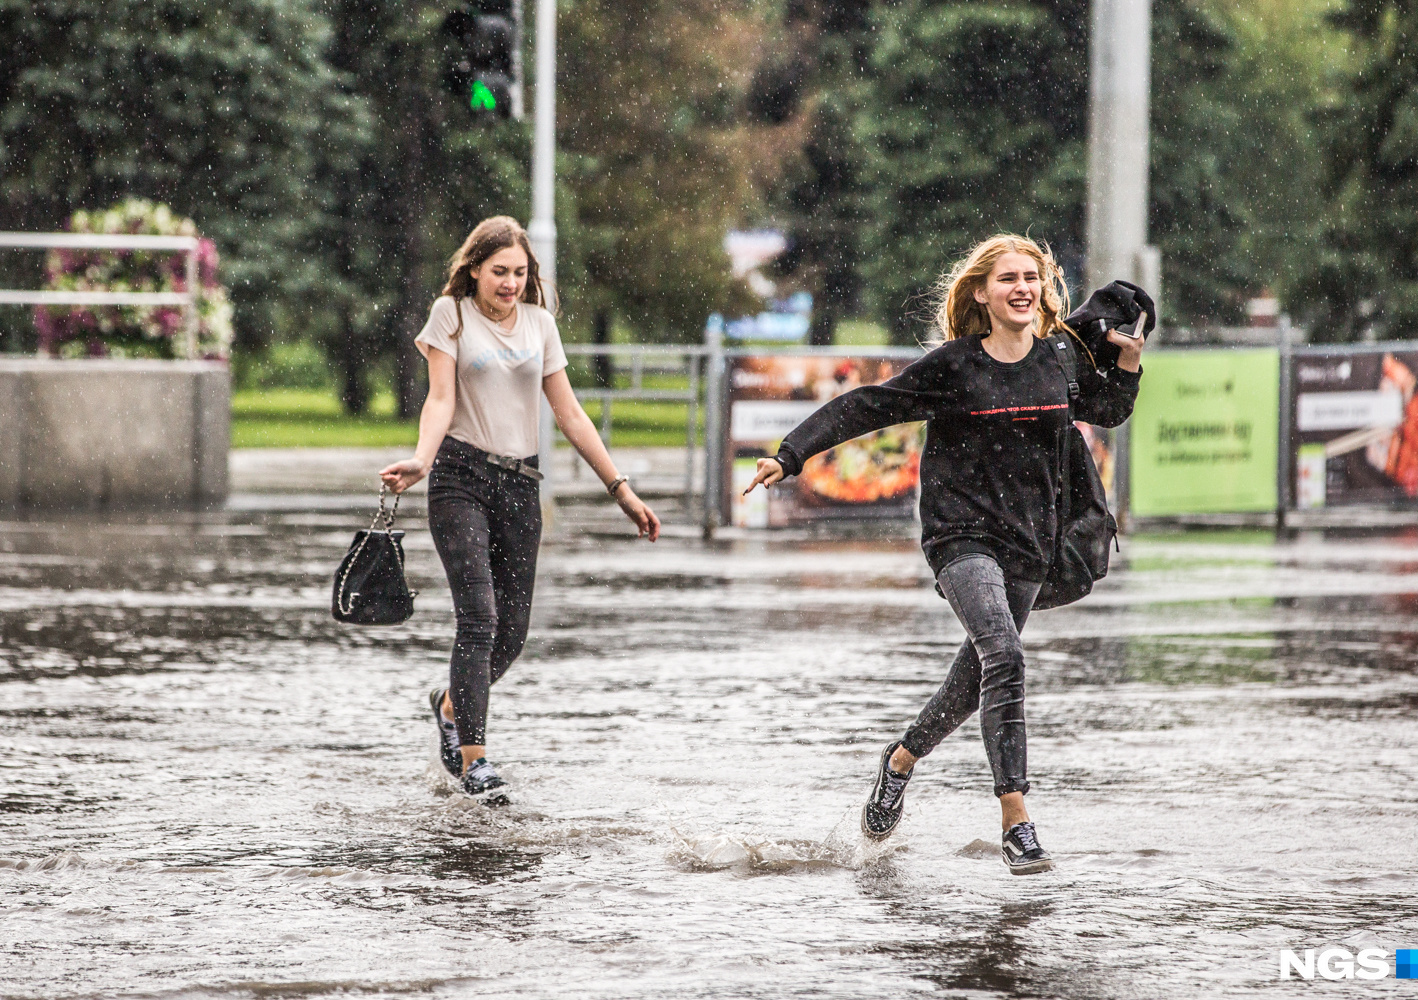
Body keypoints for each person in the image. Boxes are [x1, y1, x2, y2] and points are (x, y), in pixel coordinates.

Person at [744, 234, 1145, 873]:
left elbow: (1106, 411)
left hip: (1031, 545)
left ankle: (900, 760)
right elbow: (864, 407)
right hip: (960, 540)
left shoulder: (1059, 361)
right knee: (1006, 656)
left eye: (1032, 278)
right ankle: (1018, 818)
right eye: (1008, 279)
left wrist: (1125, 365)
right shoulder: (954, 367)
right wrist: (789, 454)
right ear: (982, 292)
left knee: (975, 679)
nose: (1023, 288)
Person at [381, 216, 660, 803]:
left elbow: (571, 414)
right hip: (460, 478)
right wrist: (421, 460)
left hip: (520, 487)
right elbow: (439, 399)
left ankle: (451, 705)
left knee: (513, 631)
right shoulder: (450, 315)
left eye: (520, 272)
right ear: (475, 269)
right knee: (478, 617)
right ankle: (474, 757)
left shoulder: (539, 324)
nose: (509, 283)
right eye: (499, 271)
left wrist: (621, 490)